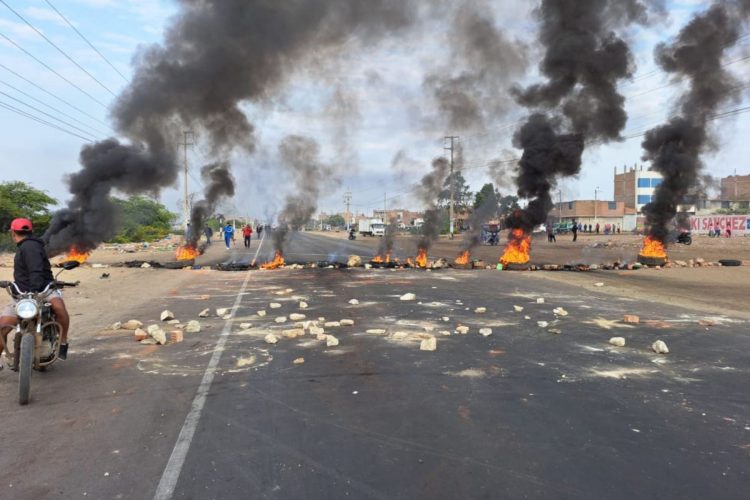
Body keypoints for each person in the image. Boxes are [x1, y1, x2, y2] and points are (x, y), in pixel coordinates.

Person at [0, 218, 71, 366]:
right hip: (22, 294)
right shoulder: (26, 245)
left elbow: (36, 271)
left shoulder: (30, 246)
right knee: (2, 325)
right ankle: (62, 340)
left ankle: (63, 342)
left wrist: (34, 289)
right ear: (30, 231)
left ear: (12, 233)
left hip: (44, 290)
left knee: (58, 307)